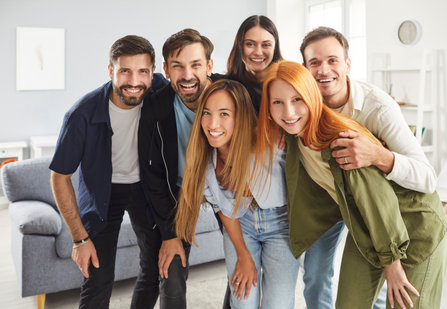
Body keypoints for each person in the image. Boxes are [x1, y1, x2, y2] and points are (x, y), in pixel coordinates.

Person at [256, 60, 447, 309]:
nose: (289, 113)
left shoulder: (341, 139)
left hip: (415, 225)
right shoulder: (296, 136)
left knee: (404, 304)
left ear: (312, 97)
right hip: (366, 226)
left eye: (297, 100)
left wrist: (391, 264)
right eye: (278, 103)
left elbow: (379, 199)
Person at [297, 26, 438, 309]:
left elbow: (427, 178)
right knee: (343, 298)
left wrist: (377, 155)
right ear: (305, 69)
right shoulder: (302, 109)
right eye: (314, 62)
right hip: (360, 217)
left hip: (411, 216)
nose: (324, 70)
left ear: (347, 64)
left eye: (333, 60)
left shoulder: (378, 108)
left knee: (407, 303)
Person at [50, 35, 168, 309]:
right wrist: (79, 239)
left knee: (153, 269)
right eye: (124, 71)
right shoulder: (81, 114)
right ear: (110, 71)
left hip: (145, 189)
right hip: (104, 194)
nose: (134, 81)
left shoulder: (158, 90)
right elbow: (60, 176)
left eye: (142, 72)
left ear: (153, 72)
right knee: (98, 278)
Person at [175, 79, 299, 309]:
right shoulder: (202, 158)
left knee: (278, 305)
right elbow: (224, 209)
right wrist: (243, 255)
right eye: (207, 113)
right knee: (242, 302)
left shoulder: (269, 137)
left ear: (240, 117)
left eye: (224, 114)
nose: (213, 123)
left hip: (281, 223)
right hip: (241, 226)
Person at [138, 28, 229, 309]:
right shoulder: (154, 107)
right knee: (171, 271)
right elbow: (151, 176)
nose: (187, 75)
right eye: (178, 66)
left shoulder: (231, 94)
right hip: (178, 190)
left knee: (243, 264)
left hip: (225, 186)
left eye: (196, 65)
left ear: (209, 66)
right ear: (166, 70)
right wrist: (169, 235)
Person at [227, 15, 283, 112]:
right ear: (239, 46)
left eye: (266, 45)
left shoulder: (288, 82)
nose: (258, 52)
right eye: (250, 44)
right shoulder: (228, 85)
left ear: (275, 48)